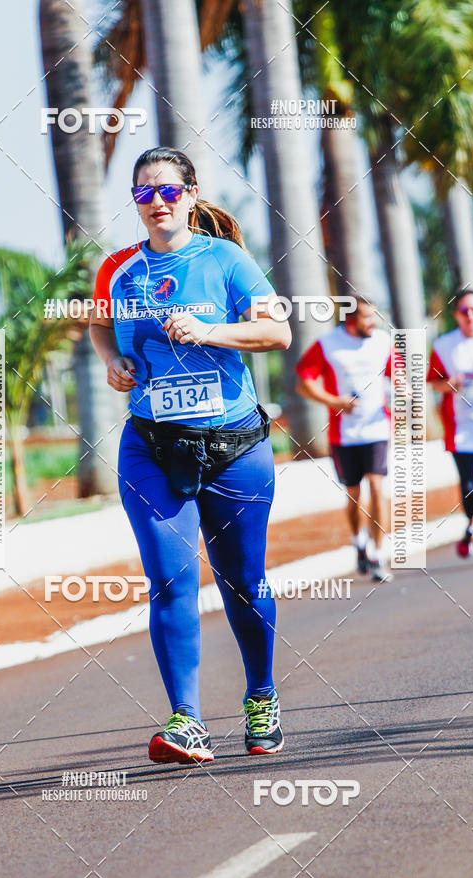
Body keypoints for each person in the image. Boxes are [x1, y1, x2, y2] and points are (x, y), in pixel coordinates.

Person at [89, 146, 291, 763]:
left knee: (242, 583)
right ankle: (186, 721)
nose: (157, 202)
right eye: (144, 192)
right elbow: (99, 322)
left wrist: (209, 332)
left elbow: (277, 332)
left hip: (233, 446)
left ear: (192, 195)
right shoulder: (120, 269)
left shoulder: (225, 259)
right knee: (170, 578)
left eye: (169, 191)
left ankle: (261, 697)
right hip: (151, 444)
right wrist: (112, 361)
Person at [295, 298, 394, 582]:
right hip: (344, 435)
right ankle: (359, 541)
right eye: (366, 318)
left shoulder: (382, 342)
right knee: (354, 494)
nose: (372, 323)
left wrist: (402, 392)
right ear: (350, 319)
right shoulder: (327, 344)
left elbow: (396, 376)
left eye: (374, 317)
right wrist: (334, 400)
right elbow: (303, 383)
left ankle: (378, 554)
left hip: (376, 429)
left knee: (377, 485)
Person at [427, 289, 473, 562]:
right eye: (464, 311)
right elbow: (433, 382)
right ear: (456, 315)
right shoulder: (444, 345)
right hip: (461, 428)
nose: (470, 316)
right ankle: (470, 525)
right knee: (469, 484)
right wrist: (449, 385)